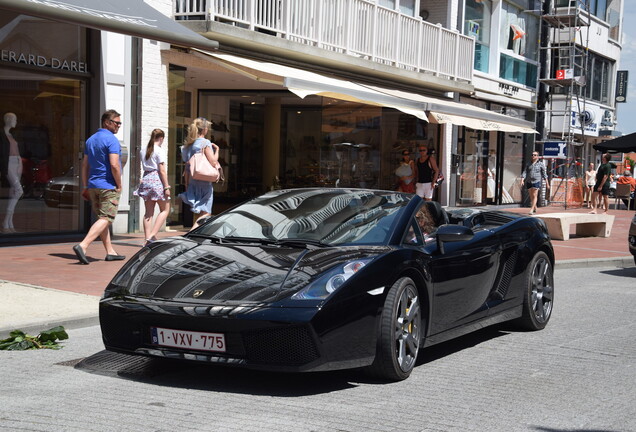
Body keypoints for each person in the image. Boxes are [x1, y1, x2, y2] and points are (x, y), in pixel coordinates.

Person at [72, 109, 125, 265]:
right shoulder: (112, 140)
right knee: (106, 218)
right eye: (117, 123)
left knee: (102, 219)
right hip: (108, 185)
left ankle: (110, 252)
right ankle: (83, 245)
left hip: (94, 185)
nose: (118, 126)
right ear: (107, 122)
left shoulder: (91, 140)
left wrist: (85, 185)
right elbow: (115, 165)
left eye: (120, 123)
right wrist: (119, 184)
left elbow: (84, 165)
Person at [179, 117, 219, 230]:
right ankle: (191, 234)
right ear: (205, 129)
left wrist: (186, 184)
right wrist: (217, 151)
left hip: (192, 182)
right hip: (205, 182)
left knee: (198, 213)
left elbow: (187, 167)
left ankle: (196, 235)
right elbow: (213, 161)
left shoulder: (188, 146)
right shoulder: (205, 143)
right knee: (205, 213)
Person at [133, 128, 171, 246]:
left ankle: (147, 239)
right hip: (157, 179)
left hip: (146, 179)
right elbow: (162, 170)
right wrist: (166, 187)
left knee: (148, 212)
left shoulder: (143, 150)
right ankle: (152, 235)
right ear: (161, 138)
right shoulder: (159, 150)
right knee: (165, 209)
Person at [0, 113, 24, 233]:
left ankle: (8, 223)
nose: (16, 121)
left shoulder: (11, 135)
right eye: (14, 119)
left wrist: (20, 163)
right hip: (8, 163)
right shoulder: (2, 134)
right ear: (8, 120)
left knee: (13, 192)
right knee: (19, 190)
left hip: (16, 163)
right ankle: (5, 221)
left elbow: (17, 151)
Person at [521, 151, 550, 215]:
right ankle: (535, 207)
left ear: (537, 156)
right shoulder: (528, 164)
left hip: (536, 181)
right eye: (532, 155)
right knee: (531, 195)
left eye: (535, 155)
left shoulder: (541, 164)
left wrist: (547, 183)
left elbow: (544, 174)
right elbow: (525, 172)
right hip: (529, 181)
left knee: (534, 195)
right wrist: (522, 180)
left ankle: (531, 209)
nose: (533, 156)